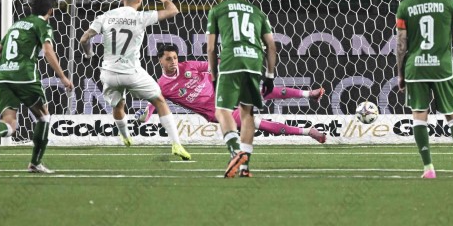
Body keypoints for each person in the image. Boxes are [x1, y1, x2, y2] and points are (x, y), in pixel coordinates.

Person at [79, 0, 191, 160]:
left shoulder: (105, 16)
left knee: (118, 105)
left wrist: (89, 54)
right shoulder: (141, 17)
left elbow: (84, 39)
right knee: (160, 101)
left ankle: (125, 136)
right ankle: (176, 144)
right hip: (131, 73)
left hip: (109, 73)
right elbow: (173, 11)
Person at [136, 44, 327, 143]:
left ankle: (308, 94)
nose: (173, 62)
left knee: (261, 91)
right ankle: (308, 132)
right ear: (160, 60)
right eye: (168, 59)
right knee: (256, 123)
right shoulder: (161, 86)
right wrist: (145, 115)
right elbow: (153, 105)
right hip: (217, 112)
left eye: (175, 58)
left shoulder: (190, 66)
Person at [0, 0, 74, 174]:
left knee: (10, 124)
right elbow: (48, 51)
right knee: (44, 117)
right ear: (51, 11)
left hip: (1, 76)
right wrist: (62, 77)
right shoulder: (42, 24)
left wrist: (7, 70)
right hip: (24, 76)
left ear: (31, 7)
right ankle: (35, 163)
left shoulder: (16, 25)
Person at [396, 0, 453, 179]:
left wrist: (401, 73)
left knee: (419, 115)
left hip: (416, 68)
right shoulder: (450, 4)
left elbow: (401, 44)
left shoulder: (405, 5)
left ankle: (428, 168)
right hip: (442, 68)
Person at [207, 0, 276, 178]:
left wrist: (213, 75)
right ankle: (245, 168)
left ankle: (235, 151)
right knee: (247, 113)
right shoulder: (258, 13)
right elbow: (271, 46)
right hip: (254, 62)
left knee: (222, 111)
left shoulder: (217, 10)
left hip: (232, 61)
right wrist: (270, 75)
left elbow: (211, 48)